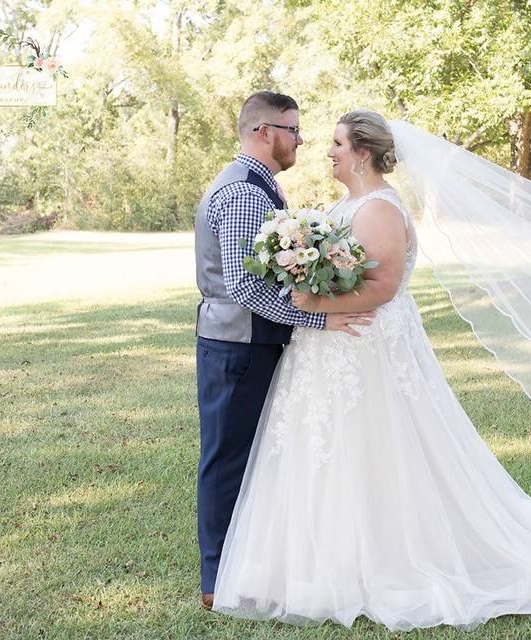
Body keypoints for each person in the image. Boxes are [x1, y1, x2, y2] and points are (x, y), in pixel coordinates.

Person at [210, 109, 531, 630]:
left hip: (365, 352)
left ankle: (384, 562)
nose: (326, 150)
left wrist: (309, 301)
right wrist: (307, 286)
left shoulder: (378, 209)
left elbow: (381, 288)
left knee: (374, 450)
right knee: (325, 449)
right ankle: (316, 564)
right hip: (330, 348)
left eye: (336, 143)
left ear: (363, 152)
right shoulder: (345, 203)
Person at [193, 92, 373, 610]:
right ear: (264, 132)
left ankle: (244, 565)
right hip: (239, 343)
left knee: (252, 458)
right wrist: (320, 317)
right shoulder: (246, 192)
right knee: (229, 457)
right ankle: (216, 579)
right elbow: (248, 290)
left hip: (247, 340)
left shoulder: (255, 184)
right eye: (294, 130)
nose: (301, 140)